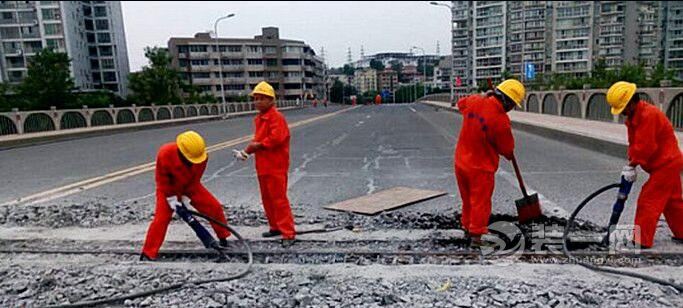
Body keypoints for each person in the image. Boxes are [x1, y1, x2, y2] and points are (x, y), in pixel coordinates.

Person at [606, 81, 683, 248]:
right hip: (666, 163)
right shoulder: (634, 117)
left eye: (623, 108)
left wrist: (633, 164)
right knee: (673, 201)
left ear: (632, 102)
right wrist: (631, 163)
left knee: (649, 200)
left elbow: (645, 146)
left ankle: (642, 241)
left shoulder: (649, 116)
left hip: (667, 164)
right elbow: (634, 143)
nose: (622, 113)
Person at [454, 79, 525, 246]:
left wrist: (482, 96)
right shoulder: (500, 120)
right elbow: (506, 148)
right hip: (480, 168)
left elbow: (460, 104)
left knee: (467, 199)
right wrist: (508, 153)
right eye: (513, 104)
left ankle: (467, 227)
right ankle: (476, 237)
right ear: (507, 102)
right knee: (480, 202)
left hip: (461, 162)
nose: (512, 108)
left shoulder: (474, 101)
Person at [141, 131, 231, 261]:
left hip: (190, 185)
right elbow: (162, 179)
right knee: (161, 219)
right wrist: (172, 198)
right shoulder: (165, 153)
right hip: (168, 189)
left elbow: (196, 177)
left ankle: (223, 238)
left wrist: (185, 197)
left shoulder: (201, 157)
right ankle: (148, 253)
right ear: (181, 152)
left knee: (213, 207)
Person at [233, 81, 296, 247]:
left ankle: (288, 233)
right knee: (267, 198)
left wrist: (256, 146)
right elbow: (260, 141)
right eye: (256, 98)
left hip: (276, 165)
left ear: (271, 101)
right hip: (263, 165)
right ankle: (275, 226)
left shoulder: (276, 118)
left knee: (278, 199)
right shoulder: (260, 118)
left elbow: (276, 139)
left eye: (262, 98)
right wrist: (248, 151)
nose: (257, 101)